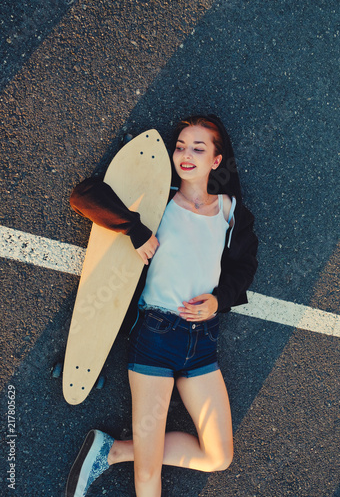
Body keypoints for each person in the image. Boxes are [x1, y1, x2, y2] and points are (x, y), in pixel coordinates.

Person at [65, 114, 258, 497]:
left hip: (202, 342)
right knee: (148, 475)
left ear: (216, 161)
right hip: (155, 337)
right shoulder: (159, 199)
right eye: (181, 146)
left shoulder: (230, 213)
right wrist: (134, 228)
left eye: (198, 149)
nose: (185, 154)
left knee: (218, 457)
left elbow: (244, 266)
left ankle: (115, 451)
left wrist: (218, 301)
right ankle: (121, 453)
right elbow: (83, 195)